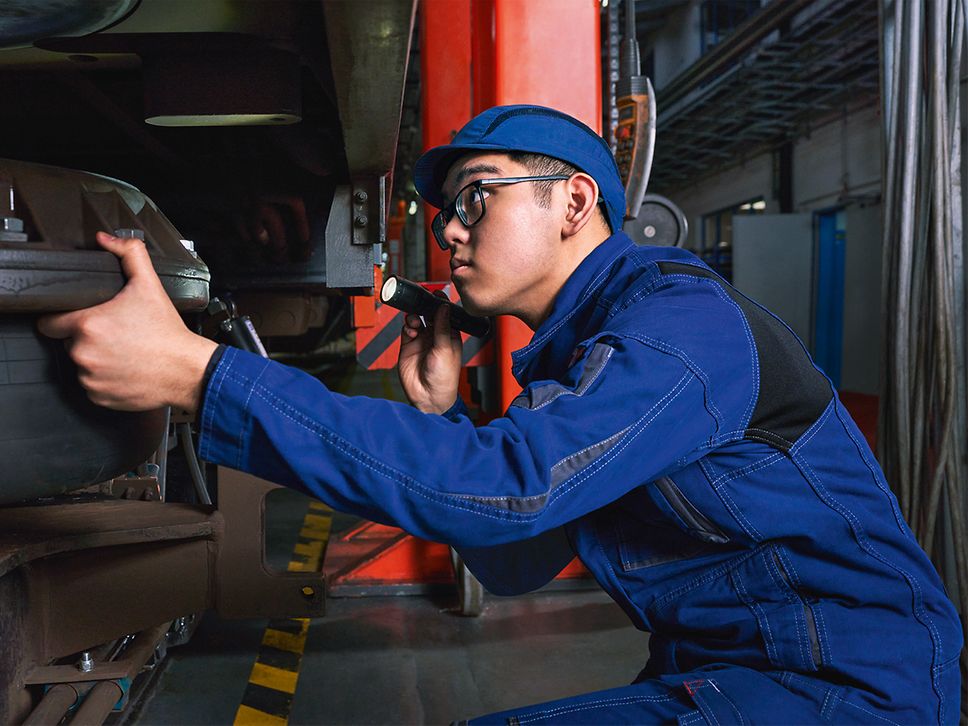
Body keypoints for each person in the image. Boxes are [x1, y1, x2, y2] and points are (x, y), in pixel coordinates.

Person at [38, 104, 961, 724]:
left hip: (845, 688)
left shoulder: (680, 327)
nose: (448, 229)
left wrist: (204, 375)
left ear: (573, 202)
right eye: (445, 214)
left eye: (476, 196)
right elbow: (518, 561)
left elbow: (505, 497)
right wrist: (442, 419)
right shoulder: (583, 358)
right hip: (736, 676)